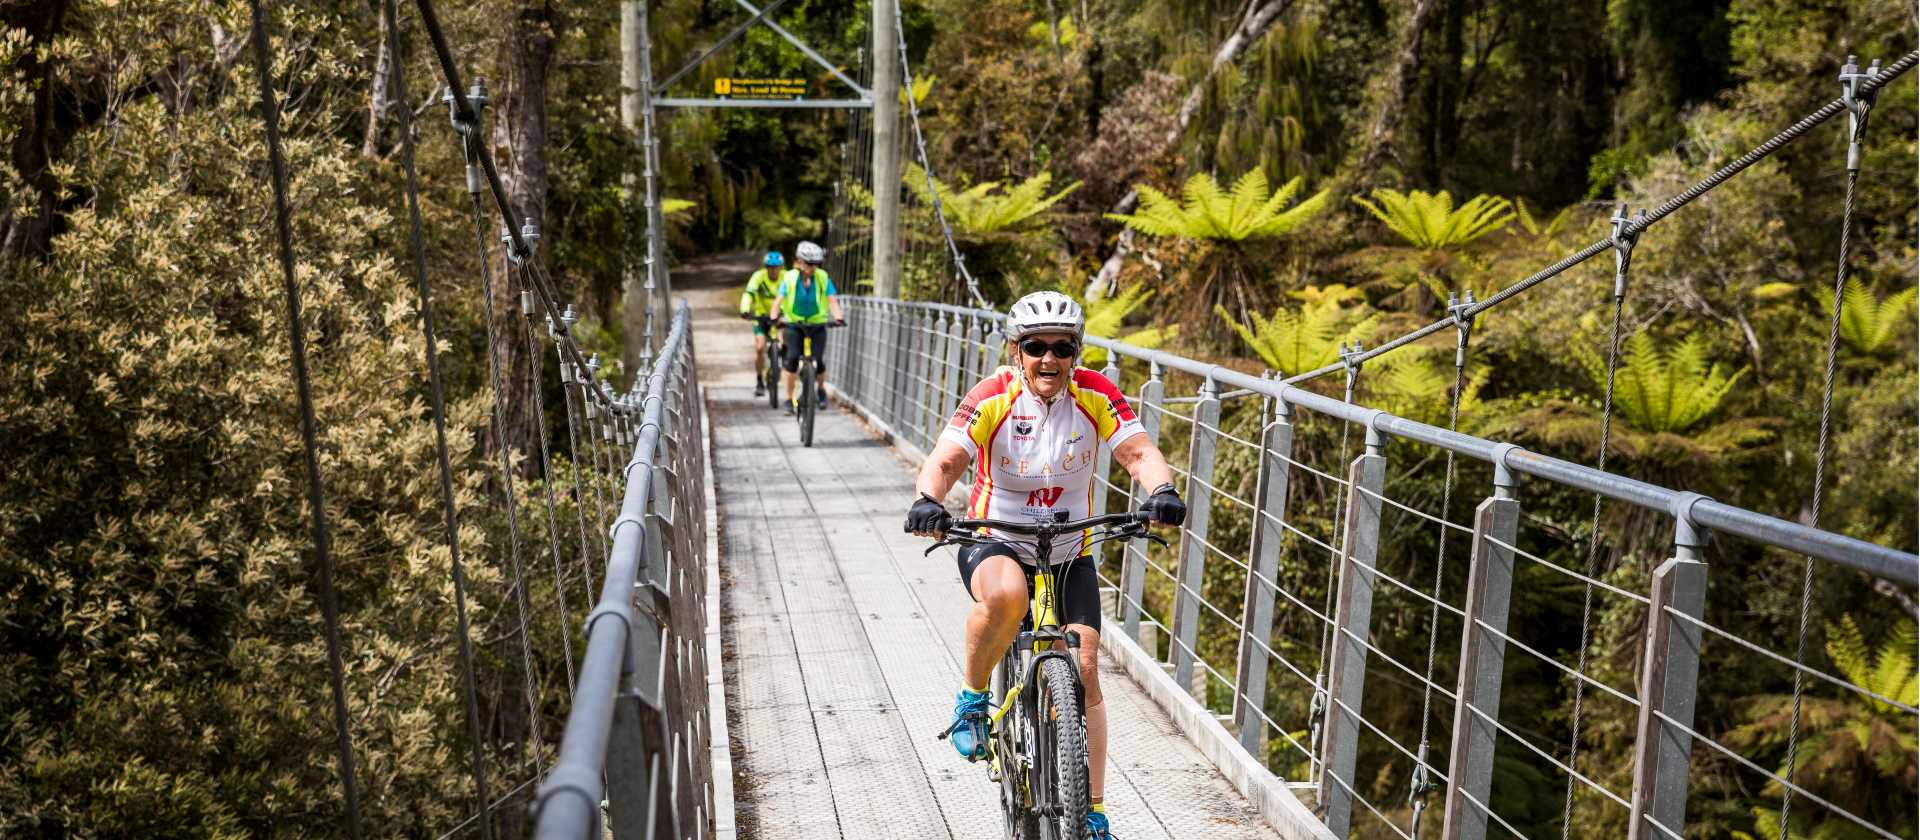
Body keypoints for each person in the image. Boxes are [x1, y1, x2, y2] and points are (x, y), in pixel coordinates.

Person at [903, 291, 1185, 840]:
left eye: (1062, 347)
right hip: (997, 539)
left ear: (1076, 352)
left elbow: (1137, 453)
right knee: (1008, 596)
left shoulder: (1096, 393)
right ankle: (972, 698)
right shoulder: (993, 396)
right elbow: (948, 458)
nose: (1048, 359)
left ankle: (1092, 813)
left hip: (1068, 548)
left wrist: (1162, 490)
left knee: (1084, 666)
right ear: (1017, 351)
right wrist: (928, 499)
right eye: (1036, 347)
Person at [767, 240, 844, 414]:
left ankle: (821, 389)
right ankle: (789, 399)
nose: (813, 267)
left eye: (816, 264)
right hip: (794, 324)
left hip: (817, 324)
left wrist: (838, 317)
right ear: (800, 262)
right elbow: (778, 301)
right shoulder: (789, 278)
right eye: (809, 264)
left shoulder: (823, 277)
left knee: (819, 360)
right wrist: (774, 317)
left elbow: (832, 300)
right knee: (792, 359)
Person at [739, 250, 783, 396]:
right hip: (761, 317)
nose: (773, 270)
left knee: (786, 340)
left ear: (781, 267)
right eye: (770, 267)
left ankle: (780, 362)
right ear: (766, 267)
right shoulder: (758, 277)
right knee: (759, 348)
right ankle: (759, 380)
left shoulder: (786, 277)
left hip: (780, 317)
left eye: (776, 267)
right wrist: (745, 309)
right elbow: (748, 294)